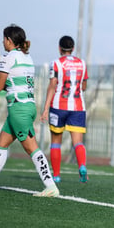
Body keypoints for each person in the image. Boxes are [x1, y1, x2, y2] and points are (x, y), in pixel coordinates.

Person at [0, 24, 59, 197]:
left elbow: (0, 85)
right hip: (26, 106)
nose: (2, 42)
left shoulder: (8, 57)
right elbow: (12, 84)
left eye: (4, 38)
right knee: (1, 144)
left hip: (19, 109)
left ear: (9, 40)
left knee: (32, 148)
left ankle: (51, 186)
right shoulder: (27, 57)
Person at [40, 36, 89, 183]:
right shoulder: (82, 64)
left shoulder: (56, 64)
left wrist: (45, 109)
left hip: (58, 106)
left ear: (59, 48)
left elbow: (52, 85)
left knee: (56, 142)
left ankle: (56, 175)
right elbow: (84, 86)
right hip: (78, 107)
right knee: (78, 142)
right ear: (73, 48)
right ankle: (82, 166)